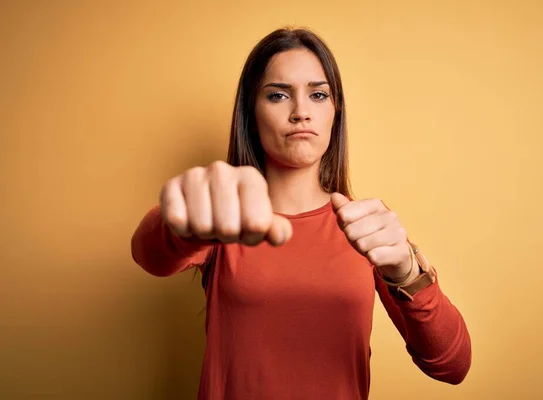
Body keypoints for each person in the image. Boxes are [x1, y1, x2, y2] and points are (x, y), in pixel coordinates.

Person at [130, 27, 471, 400]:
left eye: (318, 94)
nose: (301, 112)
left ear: (335, 112)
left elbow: (452, 366)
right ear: (251, 112)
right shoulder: (225, 216)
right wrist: (184, 220)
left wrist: (407, 271)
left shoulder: (367, 225)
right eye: (278, 95)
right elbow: (149, 254)